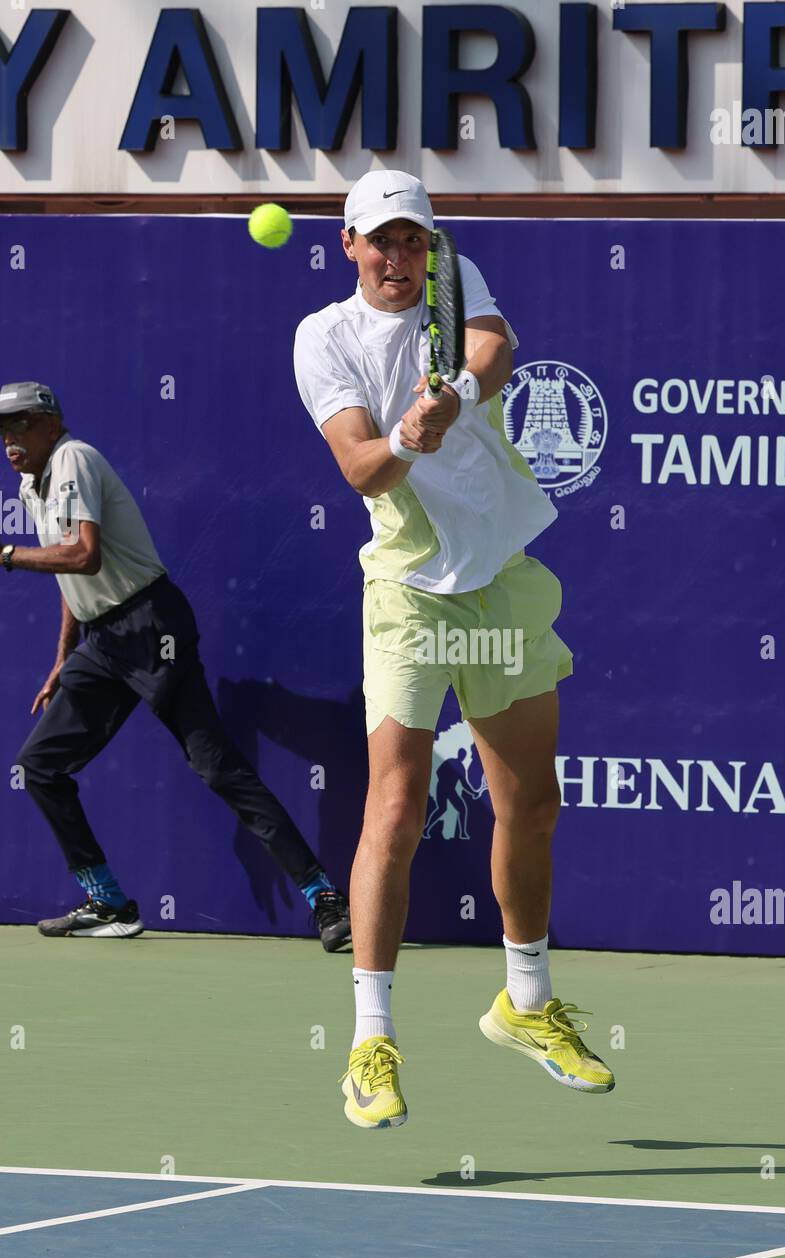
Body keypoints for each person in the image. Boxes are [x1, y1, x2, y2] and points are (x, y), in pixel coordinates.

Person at [294, 170, 614, 1128]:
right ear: (349, 244)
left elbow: (493, 346)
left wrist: (460, 392)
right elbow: (358, 465)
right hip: (407, 593)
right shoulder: (324, 337)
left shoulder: (454, 278)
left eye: (413, 242)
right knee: (395, 806)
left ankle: (524, 1001)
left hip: (504, 582)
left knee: (532, 803)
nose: (399, 259)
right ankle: (370, 1042)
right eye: (380, 242)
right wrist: (411, 434)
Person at [0, 382, 350, 950]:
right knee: (40, 767)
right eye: (2, 431)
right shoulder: (32, 483)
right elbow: (72, 574)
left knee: (218, 769)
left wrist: (8, 554)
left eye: (20, 426)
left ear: (50, 424)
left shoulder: (72, 459)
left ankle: (324, 898)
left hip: (151, 626)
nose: (10, 440)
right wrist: (64, 657)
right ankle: (109, 902)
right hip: (103, 641)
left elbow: (83, 555)